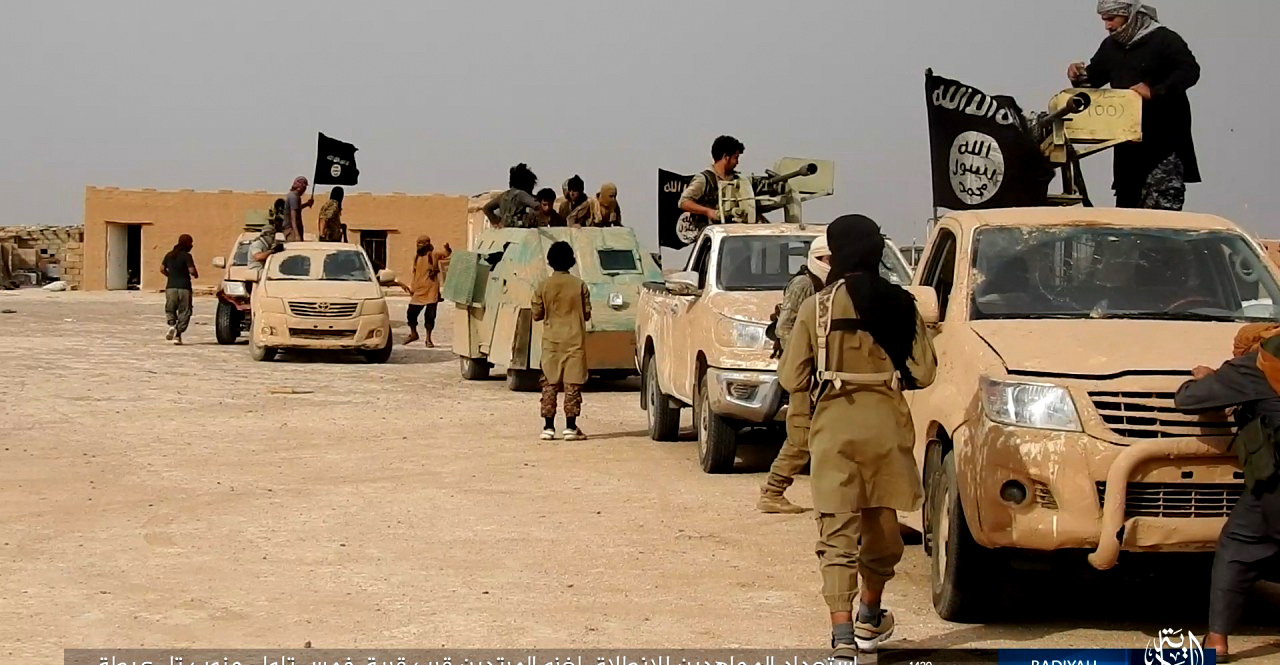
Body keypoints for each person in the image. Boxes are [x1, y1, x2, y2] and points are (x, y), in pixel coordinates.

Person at [777, 214, 937, 658]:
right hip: (887, 431)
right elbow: (925, 372)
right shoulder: (902, 303)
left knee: (836, 535)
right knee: (882, 528)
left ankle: (842, 636)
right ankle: (871, 611)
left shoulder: (818, 306)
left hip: (835, 432)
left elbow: (791, 374)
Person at [1173, 323, 1280, 663]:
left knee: (1238, 546)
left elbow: (1188, 400)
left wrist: (1208, 378)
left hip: (1275, 486)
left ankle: (1217, 641)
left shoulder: (1254, 365)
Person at [1067, 1, 1200, 210]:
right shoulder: (1111, 46)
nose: (1108, 26)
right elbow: (1094, 80)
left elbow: (1190, 71)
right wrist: (1078, 75)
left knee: (1161, 218)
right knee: (1127, 215)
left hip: (1164, 146)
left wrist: (1154, 91)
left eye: (1112, 19)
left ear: (1130, 15)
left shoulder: (1165, 40)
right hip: (1127, 149)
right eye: (1104, 20)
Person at [758, 234, 832, 514]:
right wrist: (805, 361)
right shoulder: (804, 284)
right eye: (828, 260)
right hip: (805, 374)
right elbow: (785, 327)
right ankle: (772, 491)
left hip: (820, 373)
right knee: (801, 436)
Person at [532, 241, 591, 442]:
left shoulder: (543, 285)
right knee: (572, 385)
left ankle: (548, 427)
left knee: (549, 384)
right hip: (574, 341)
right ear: (571, 261)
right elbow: (587, 313)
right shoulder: (579, 285)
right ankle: (571, 427)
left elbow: (537, 314)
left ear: (550, 261)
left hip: (551, 342)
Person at [679, 135, 745, 228]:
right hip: (710, 235)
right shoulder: (705, 179)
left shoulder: (736, 180)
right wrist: (708, 211)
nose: (737, 162)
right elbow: (684, 202)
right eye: (735, 157)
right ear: (726, 157)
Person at [405, 235, 452, 347]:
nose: (419, 246)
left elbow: (446, 255)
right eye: (418, 243)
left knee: (430, 316)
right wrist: (412, 287)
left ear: (426, 244)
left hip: (431, 291)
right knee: (411, 314)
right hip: (419, 291)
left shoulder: (434, 255)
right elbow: (415, 274)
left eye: (421, 243)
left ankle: (428, 339)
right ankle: (413, 333)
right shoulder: (416, 257)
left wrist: (447, 248)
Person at [159, 234, 198, 345]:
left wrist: (170, 276)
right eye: (191, 243)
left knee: (170, 308)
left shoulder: (169, 255)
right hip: (184, 287)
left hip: (171, 287)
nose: (192, 245)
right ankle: (178, 334)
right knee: (185, 311)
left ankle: (172, 325)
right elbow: (191, 271)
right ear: (187, 244)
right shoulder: (187, 256)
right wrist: (195, 274)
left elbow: (161, 269)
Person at [483, 163, 541, 229]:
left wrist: (496, 222)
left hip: (505, 231)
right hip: (519, 233)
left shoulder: (503, 196)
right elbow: (537, 206)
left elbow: (486, 208)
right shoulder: (521, 195)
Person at [248, 204, 286, 272]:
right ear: (267, 234)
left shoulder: (268, 245)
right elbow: (258, 257)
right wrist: (272, 251)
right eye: (271, 235)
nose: (272, 237)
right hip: (256, 272)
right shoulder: (257, 244)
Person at [284, 176, 314, 241]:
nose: (305, 189)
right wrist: (297, 234)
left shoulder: (295, 196)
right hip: (292, 229)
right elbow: (293, 218)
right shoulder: (293, 197)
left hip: (294, 229)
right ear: (300, 187)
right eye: (304, 187)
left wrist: (307, 204)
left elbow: (297, 208)